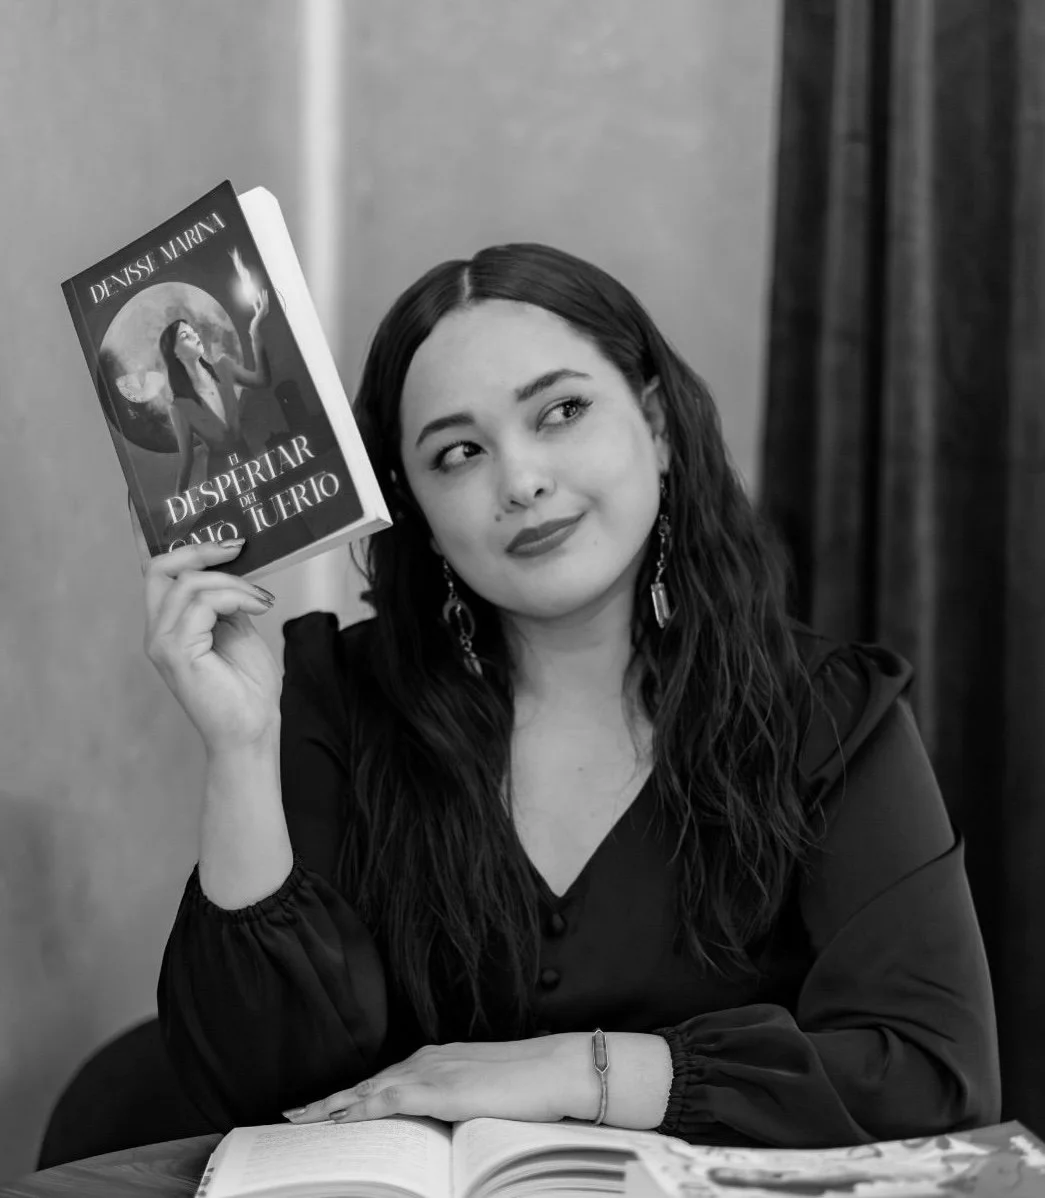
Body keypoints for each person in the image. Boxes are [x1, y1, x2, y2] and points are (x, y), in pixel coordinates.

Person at [138, 243, 1000, 1148]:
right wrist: (239, 747)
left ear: (657, 426)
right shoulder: (336, 698)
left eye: (561, 411)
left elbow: (930, 1075)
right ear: (417, 510)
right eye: (458, 452)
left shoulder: (828, 717)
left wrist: (568, 1071)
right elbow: (258, 1090)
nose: (521, 481)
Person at [158, 289, 272, 501]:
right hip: (222, 482)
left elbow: (262, 381)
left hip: (251, 467)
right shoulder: (179, 408)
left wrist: (255, 332)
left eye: (193, 331)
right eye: (185, 336)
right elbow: (187, 461)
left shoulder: (224, 366)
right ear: (175, 353)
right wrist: (178, 504)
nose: (195, 336)